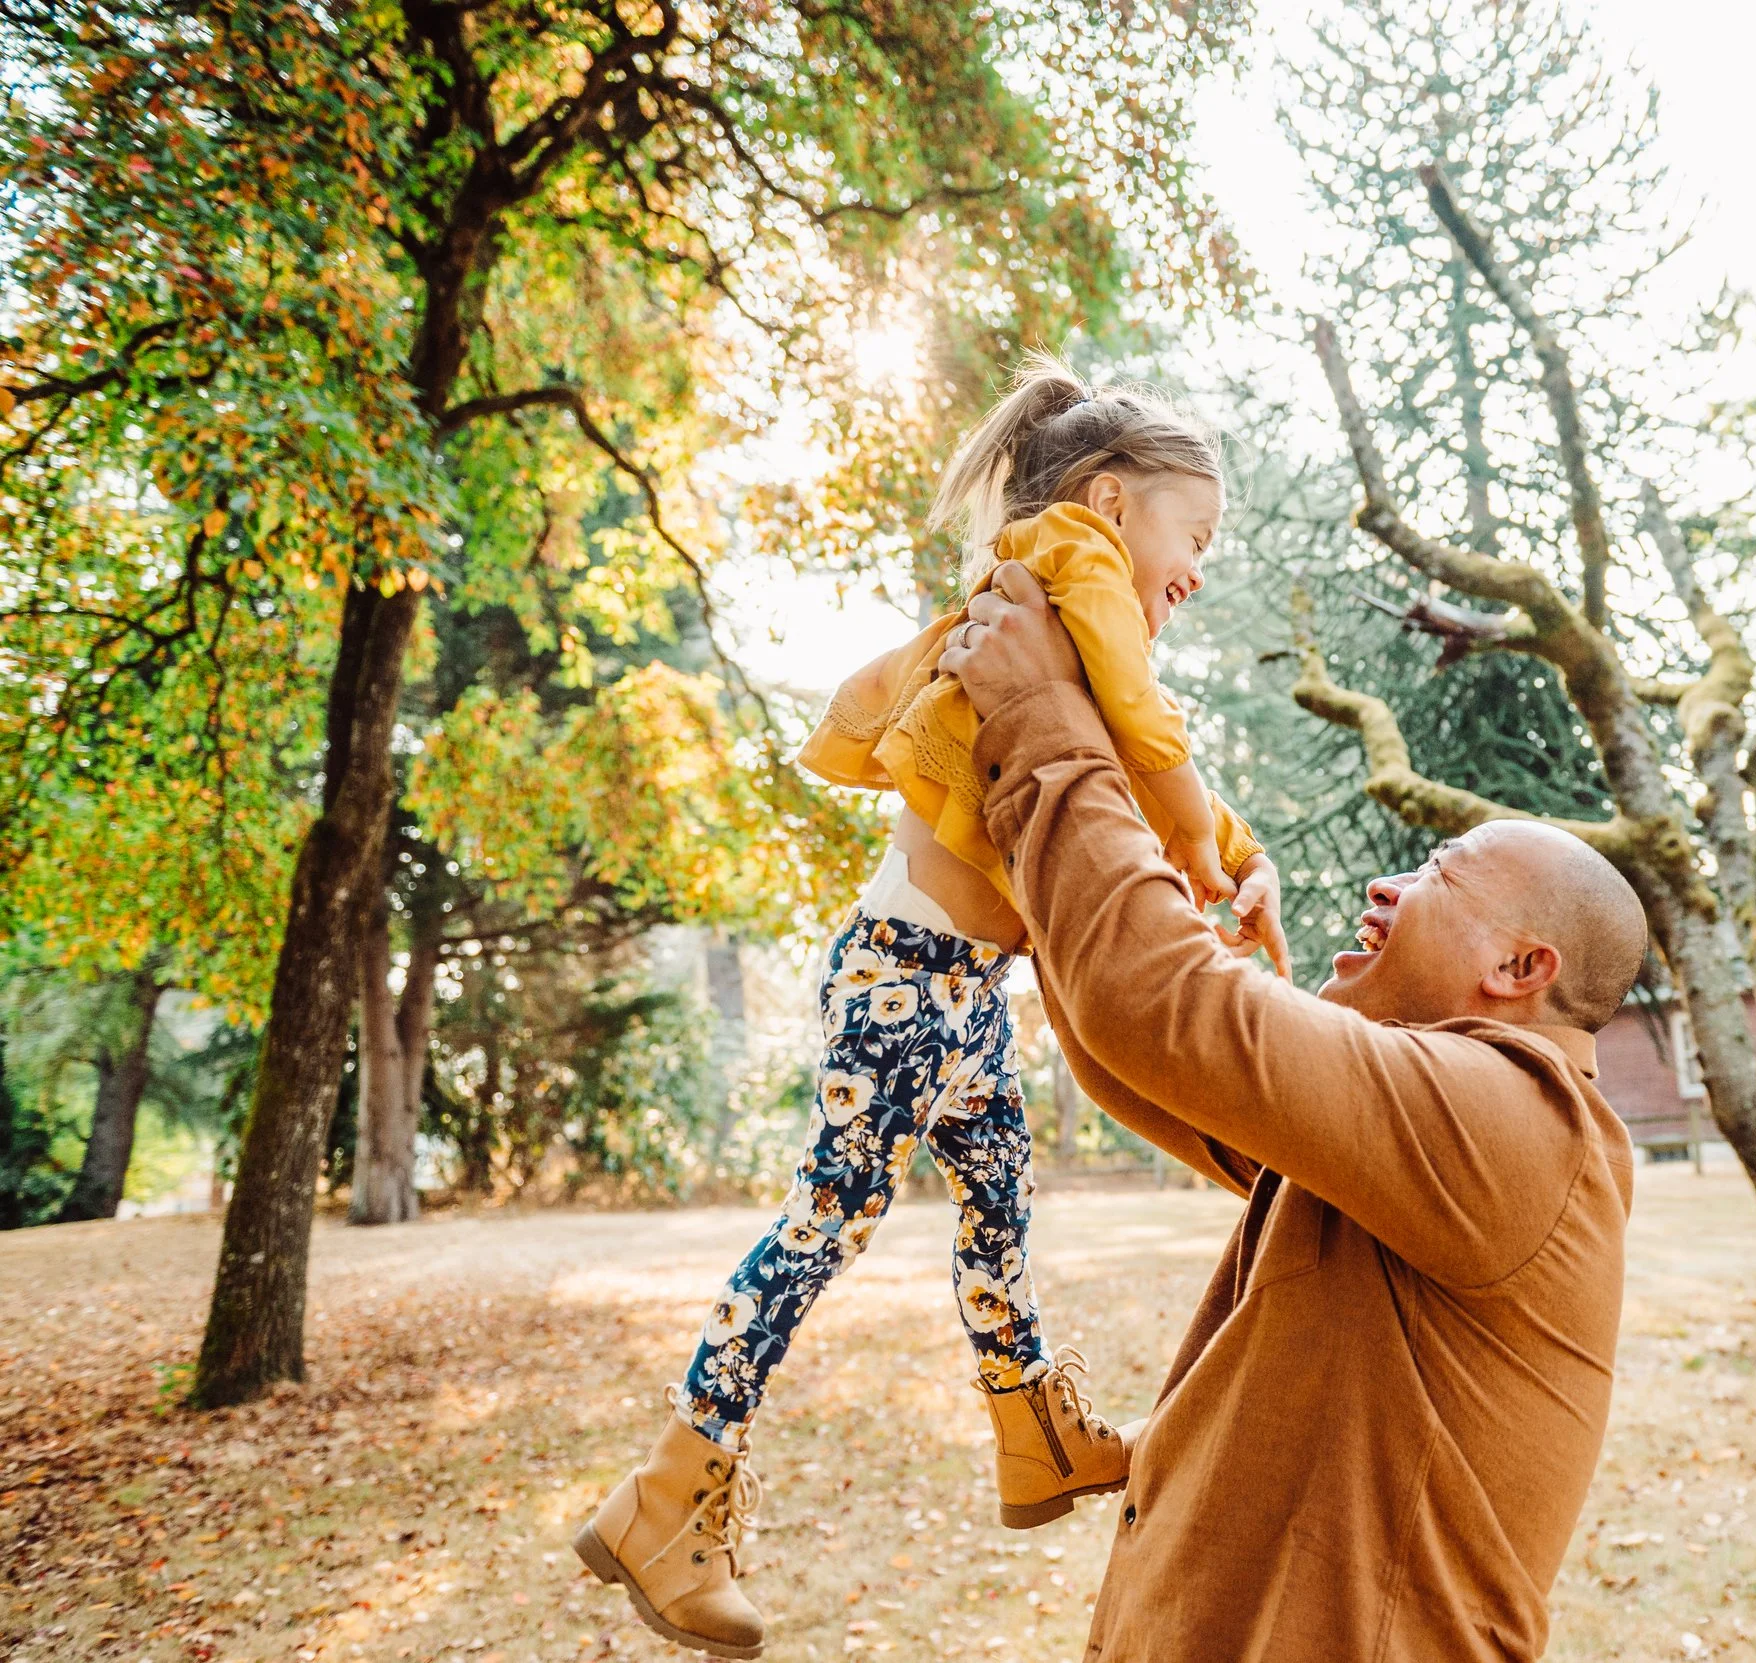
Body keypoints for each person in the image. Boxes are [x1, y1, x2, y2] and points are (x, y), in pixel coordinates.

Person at [572, 358, 1287, 1662]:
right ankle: (668, 1492)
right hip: (906, 969)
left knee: (1000, 1192)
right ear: (1117, 503)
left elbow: (1132, 745)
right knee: (829, 1214)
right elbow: (1144, 722)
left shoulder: (1067, 612)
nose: (1198, 570)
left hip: (956, 986)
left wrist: (1228, 850)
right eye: (1197, 537)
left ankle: (1032, 1429)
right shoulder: (1067, 558)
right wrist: (1211, 841)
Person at [939, 564, 1650, 1661]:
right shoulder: (1410, 1134)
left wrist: (1044, 719)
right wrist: (1121, 816)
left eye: (1436, 870)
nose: (1385, 887)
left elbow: (1161, 1007)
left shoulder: (1520, 1120)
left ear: (1520, 963)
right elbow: (1136, 1057)